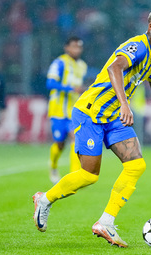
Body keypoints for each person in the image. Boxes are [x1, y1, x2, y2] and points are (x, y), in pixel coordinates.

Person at [33, 7, 151, 248]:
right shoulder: (137, 45)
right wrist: (125, 104)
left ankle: (106, 222)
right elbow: (115, 68)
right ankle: (44, 199)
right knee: (89, 175)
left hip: (114, 118)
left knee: (136, 165)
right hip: (91, 112)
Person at [46, 36, 87, 184]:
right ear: (67, 48)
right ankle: (53, 165)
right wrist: (70, 89)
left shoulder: (83, 65)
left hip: (73, 111)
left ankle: (74, 175)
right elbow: (50, 83)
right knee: (59, 143)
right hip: (58, 110)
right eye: (74, 46)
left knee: (75, 138)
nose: (77, 50)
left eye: (79, 47)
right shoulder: (59, 63)